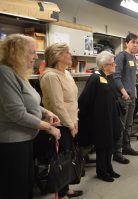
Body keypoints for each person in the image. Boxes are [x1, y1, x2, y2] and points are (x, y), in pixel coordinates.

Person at [0, 34, 61, 199]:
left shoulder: (18, 73)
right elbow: (17, 113)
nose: (36, 56)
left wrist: (46, 112)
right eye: (32, 52)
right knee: (15, 189)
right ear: (17, 53)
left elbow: (30, 103)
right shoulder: (4, 73)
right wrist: (49, 128)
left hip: (25, 141)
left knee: (26, 186)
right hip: (12, 145)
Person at [40, 43, 83, 199]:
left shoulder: (65, 73)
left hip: (70, 123)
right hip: (60, 125)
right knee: (60, 161)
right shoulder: (51, 76)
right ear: (58, 55)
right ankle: (61, 194)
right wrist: (71, 125)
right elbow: (58, 105)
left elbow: (72, 101)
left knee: (68, 158)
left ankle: (66, 189)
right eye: (67, 52)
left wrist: (75, 121)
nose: (71, 55)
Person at [78, 51, 122, 182]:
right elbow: (84, 100)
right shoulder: (95, 78)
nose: (115, 65)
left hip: (110, 117)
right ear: (105, 65)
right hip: (100, 120)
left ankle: (109, 168)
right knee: (102, 146)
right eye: (113, 63)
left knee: (109, 144)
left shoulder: (108, 77)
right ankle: (101, 171)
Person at [113, 33, 138, 164]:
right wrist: (124, 93)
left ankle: (126, 146)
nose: (136, 45)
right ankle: (117, 152)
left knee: (129, 124)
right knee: (121, 125)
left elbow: (132, 78)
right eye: (133, 42)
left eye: (137, 43)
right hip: (124, 97)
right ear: (127, 43)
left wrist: (133, 92)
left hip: (132, 97)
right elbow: (116, 77)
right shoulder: (121, 56)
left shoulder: (133, 58)